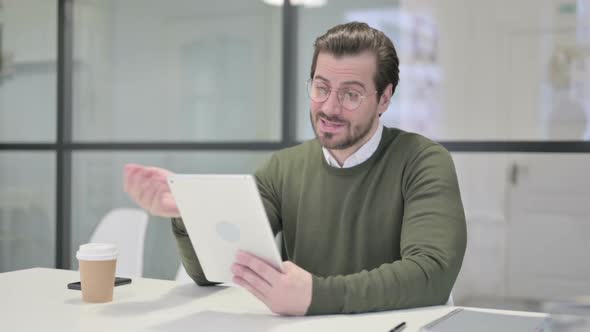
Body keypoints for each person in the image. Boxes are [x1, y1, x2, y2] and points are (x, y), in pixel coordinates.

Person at [123, 22, 467, 316]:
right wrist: (188, 213)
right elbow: (214, 272)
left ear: (384, 98)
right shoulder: (285, 167)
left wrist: (316, 295)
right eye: (321, 88)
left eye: (351, 94)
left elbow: (432, 275)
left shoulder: (422, 161)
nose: (329, 107)